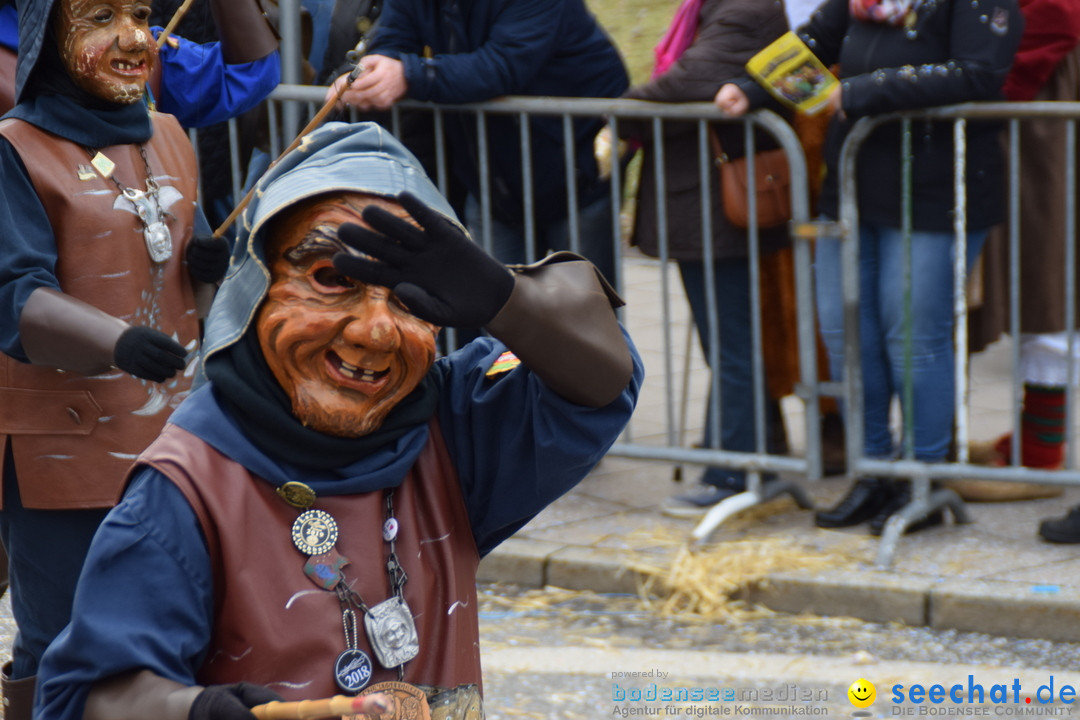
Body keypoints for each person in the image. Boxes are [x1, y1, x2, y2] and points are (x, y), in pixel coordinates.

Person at [35, 121, 641, 720]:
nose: (375, 330)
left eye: (409, 296)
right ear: (257, 287)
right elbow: (87, 696)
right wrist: (216, 712)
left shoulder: (452, 430)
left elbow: (602, 383)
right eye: (329, 279)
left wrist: (502, 298)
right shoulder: (186, 492)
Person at [0, 0, 232, 716]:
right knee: (65, 641)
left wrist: (208, 271)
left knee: (176, 635)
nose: (135, 38)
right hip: (61, 456)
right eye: (100, 17)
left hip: (175, 448)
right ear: (48, 40)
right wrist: (116, 342)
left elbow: (175, 272)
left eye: (140, 12)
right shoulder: (15, 147)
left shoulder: (168, 132)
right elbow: (14, 294)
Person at [716, 0, 1023, 534]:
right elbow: (814, 40)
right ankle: (873, 471)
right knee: (846, 333)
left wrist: (858, 93)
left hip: (937, 189)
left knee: (914, 337)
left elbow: (978, 71)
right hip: (854, 185)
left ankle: (920, 475)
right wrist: (752, 85)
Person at [615, 0, 789, 517]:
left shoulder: (746, 8)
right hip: (706, 201)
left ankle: (733, 471)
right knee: (729, 340)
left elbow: (689, 80)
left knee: (731, 342)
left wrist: (613, 107)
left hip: (718, 206)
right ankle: (754, 453)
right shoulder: (713, 7)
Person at [323, 0, 630, 291]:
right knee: (502, 317)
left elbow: (503, 65)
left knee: (589, 316)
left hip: (575, 172)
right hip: (491, 179)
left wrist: (409, 75)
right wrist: (368, 76)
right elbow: (393, 42)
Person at [959, 0, 1080, 536]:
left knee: (1046, 290)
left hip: (1044, 148)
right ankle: (1035, 440)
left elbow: (1022, 56)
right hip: (1023, 143)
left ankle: (1041, 454)